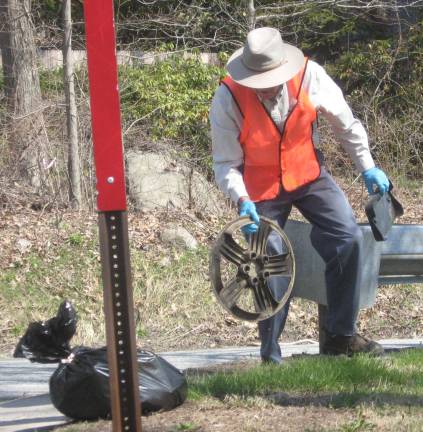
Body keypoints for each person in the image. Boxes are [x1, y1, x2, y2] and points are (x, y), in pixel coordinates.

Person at [209, 27, 389, 364]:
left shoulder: (310, 76)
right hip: (260, 188)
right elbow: (225, 164)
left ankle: (340, 337)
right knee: (270, 253)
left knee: (347, 236)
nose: (264, 90)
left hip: (308, 174)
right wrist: (241, 199)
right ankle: (271, 354)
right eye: (257, 84)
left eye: (270, 81)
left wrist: (367, 167)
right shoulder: (227, 98)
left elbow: (345, 125)